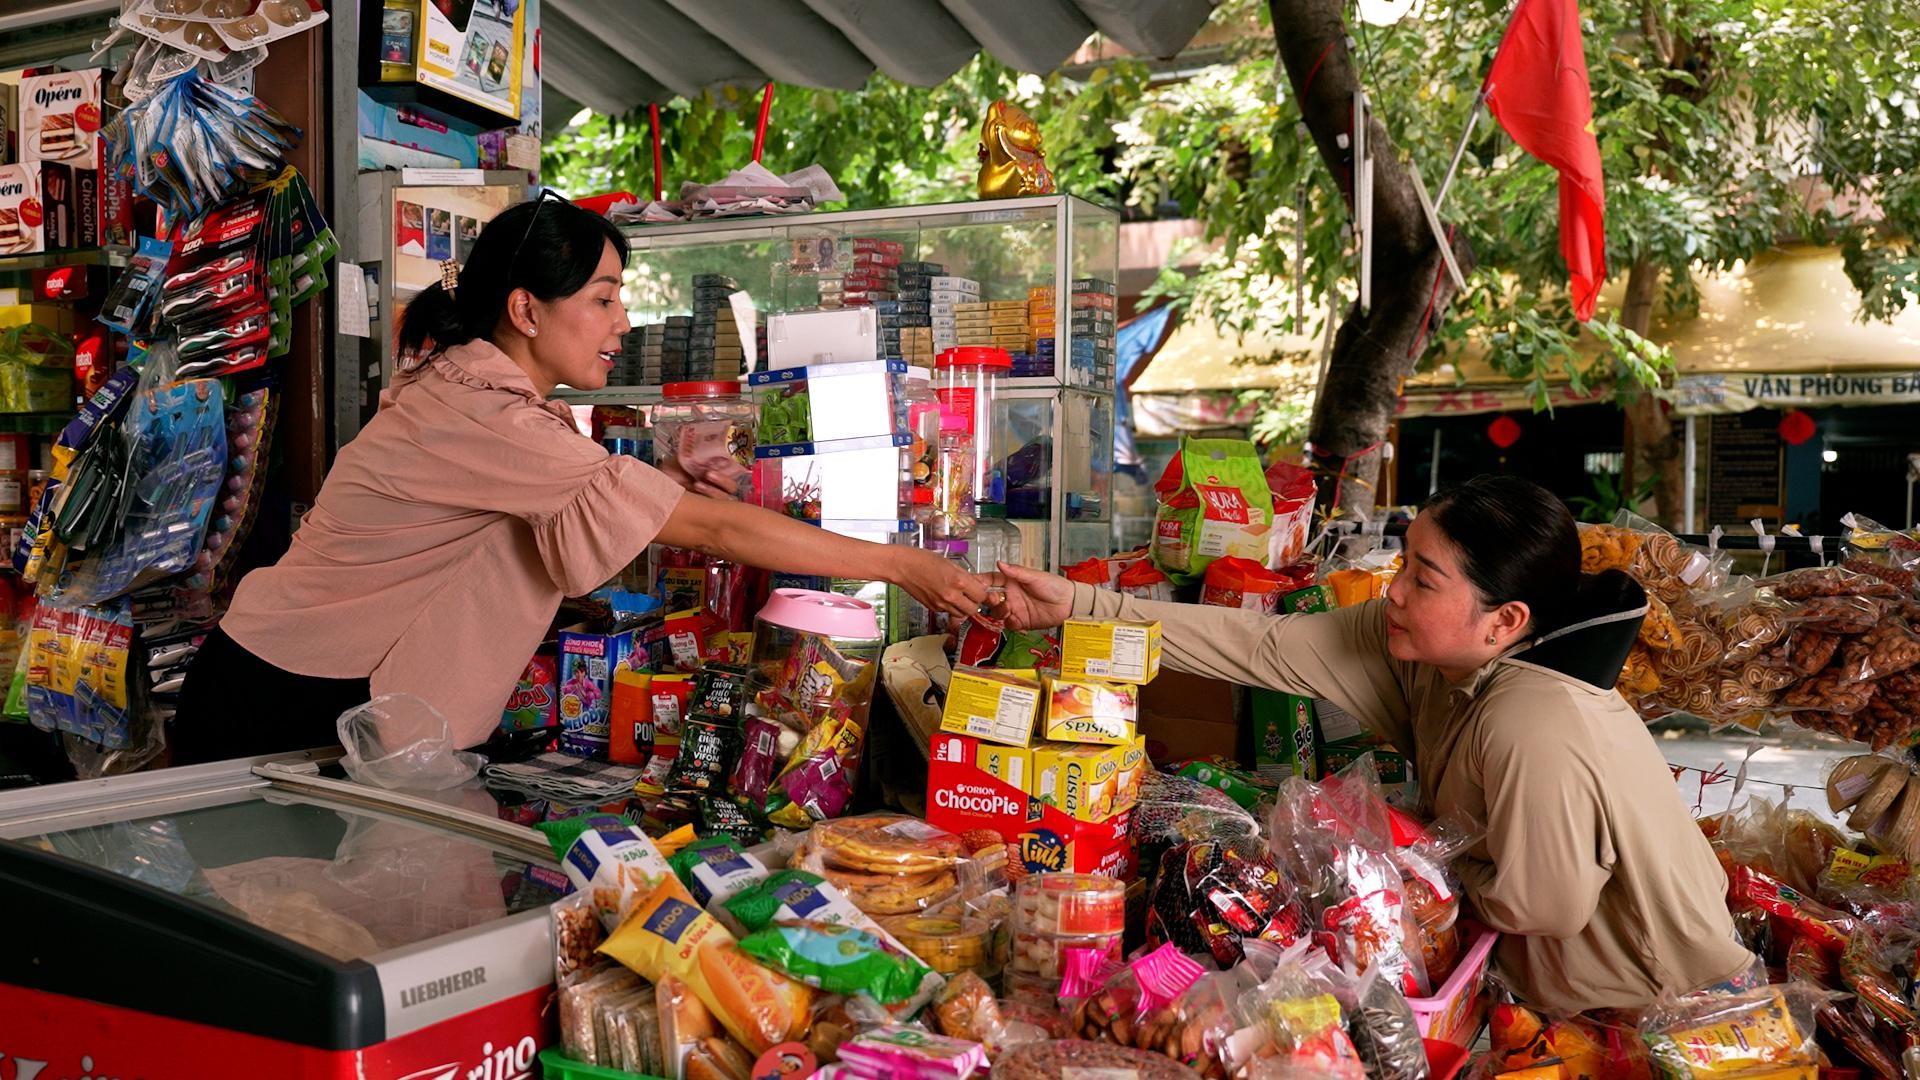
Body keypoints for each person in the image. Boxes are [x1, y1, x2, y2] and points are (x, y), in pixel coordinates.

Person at [174, 193, 985, 763]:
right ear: (527, 310)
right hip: (281, 700)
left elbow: (551, 506)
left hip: (288, 684)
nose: (622, 323)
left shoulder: (472, 389)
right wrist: (903, 564)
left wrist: (663, 475)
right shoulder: (490, 414)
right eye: (602, 299)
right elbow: (712, 529)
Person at [991, 474, 1751, 1015]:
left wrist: (1413, 856)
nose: (1394, 591)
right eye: (1403, 562)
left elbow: (1544, 904)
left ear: (1506, 621)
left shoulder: (1533, 717)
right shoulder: (1431, 656)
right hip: (1556, 991)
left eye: (1425, 579)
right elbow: (1262, 645)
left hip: (1664, 1011)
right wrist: (1079, 605)